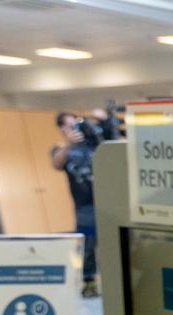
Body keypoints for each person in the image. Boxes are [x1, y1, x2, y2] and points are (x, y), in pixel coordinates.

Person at [51, 109, 110, 297]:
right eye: (70, 125)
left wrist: (103, 124)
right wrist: (69, 144)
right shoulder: (61, 149)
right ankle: (89, 282)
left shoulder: (94, 145)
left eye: (77, 124)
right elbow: (56, 164)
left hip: (107, 202)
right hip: (84, 205)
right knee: (88, 247)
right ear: (62, 128)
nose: (75, 128)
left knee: (111, 243)